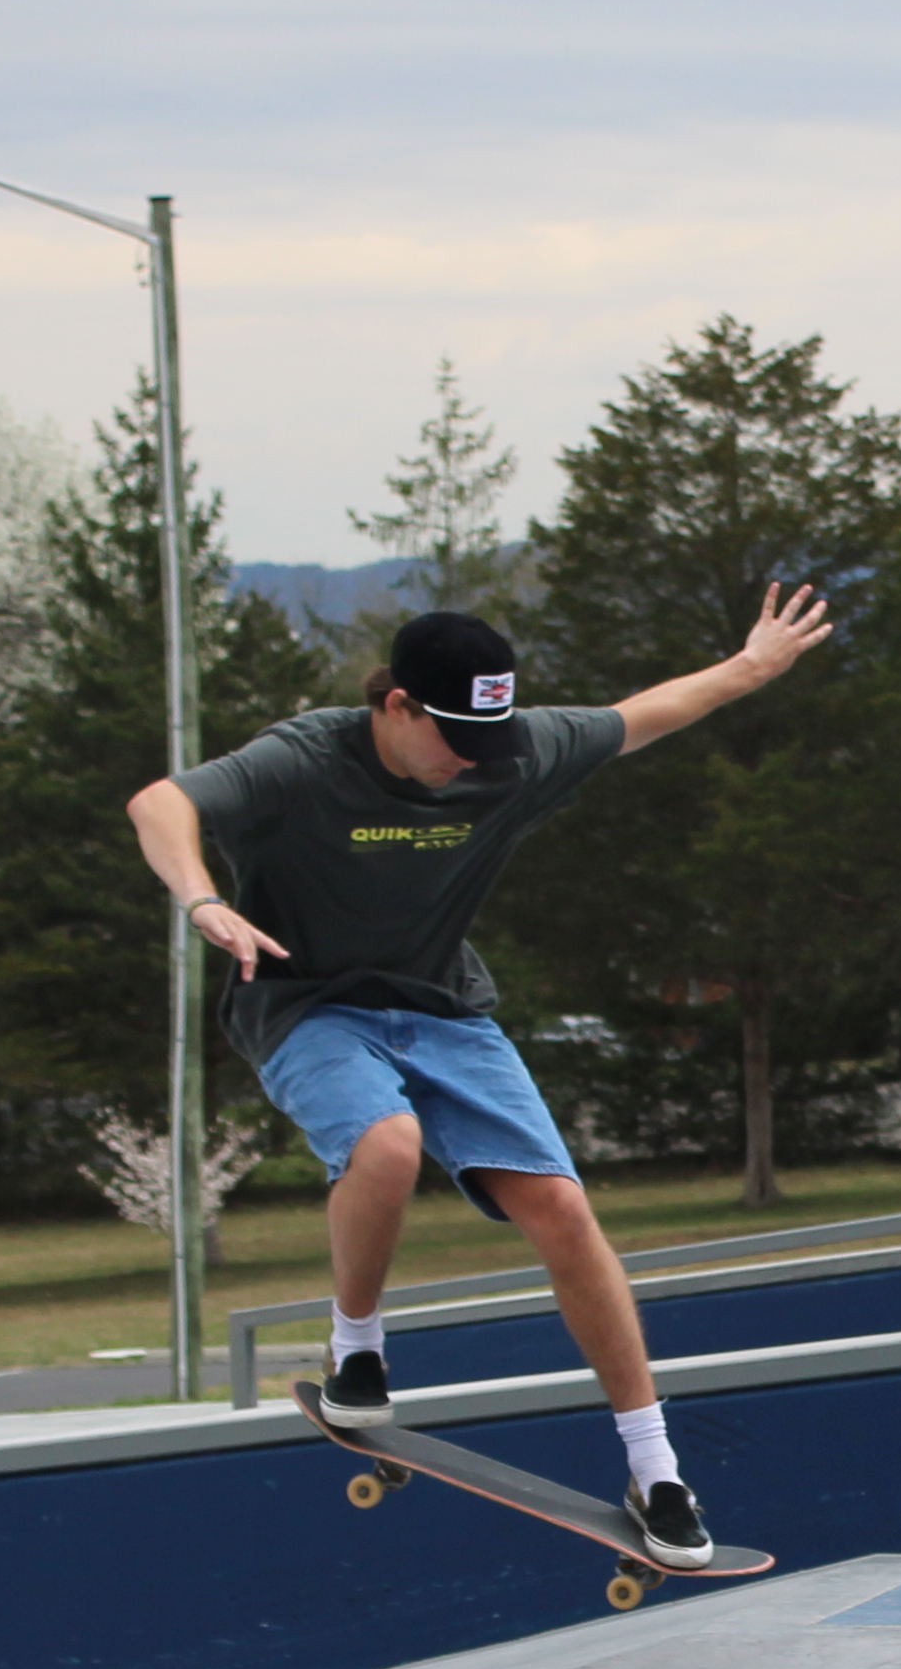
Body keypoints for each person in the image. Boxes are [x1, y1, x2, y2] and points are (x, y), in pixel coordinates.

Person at [126, 593, 834, 1563]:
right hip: (306, 1007)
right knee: (387, 1143)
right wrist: (203, 900)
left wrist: (754, 663)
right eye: (452, 737)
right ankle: (357, 1351)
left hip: (444, 1010)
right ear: (399, 707)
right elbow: (159, 802)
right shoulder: (305, 756)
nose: (470, 760)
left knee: (565, 1212)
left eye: (485, 739)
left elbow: (654, 712)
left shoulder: (516, 752)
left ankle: (656, 1468)